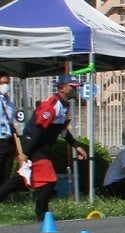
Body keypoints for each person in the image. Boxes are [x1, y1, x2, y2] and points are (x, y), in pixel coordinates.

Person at [0, 74, 88, 221]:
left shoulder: (66, 106)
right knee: (49, 180)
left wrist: (76, 146)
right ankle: (42, 214)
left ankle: (41, 213)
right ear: (61, 88)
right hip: (33, 144)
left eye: (76, 87)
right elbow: (38, 130)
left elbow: (63, 130)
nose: (75, 90)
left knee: (19, 180)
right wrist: (25, 154)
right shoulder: (51, 104)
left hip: (41, 147)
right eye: (72, 87)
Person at [0, 74, 25, 194]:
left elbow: (11, 121)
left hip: (8, 139)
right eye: (2, 83)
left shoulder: (8, 102)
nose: (5, 86)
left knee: (7, 169)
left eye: (7, 83)